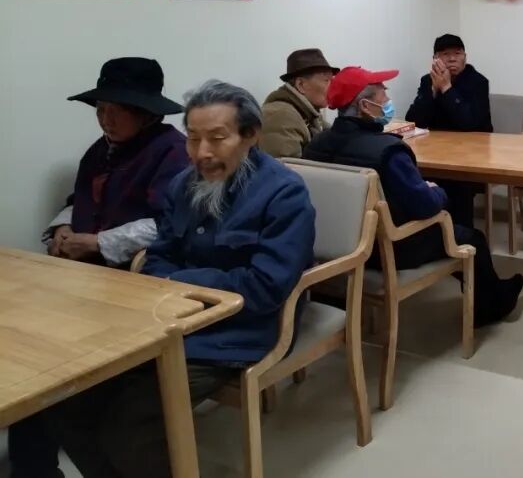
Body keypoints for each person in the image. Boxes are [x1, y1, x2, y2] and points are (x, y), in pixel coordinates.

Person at [48, 81, 316, 478]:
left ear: (250, 135)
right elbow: (158, 257)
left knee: (132, 422)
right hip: (168, 321)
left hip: (240, 330)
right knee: (68, 402)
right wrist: (176, 285)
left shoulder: (284, 194)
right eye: (192, 138)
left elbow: (264, 287)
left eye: (217, 138)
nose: (202, 152)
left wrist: (181, 282)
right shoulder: (183, 184)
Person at [8, 57, 187, 478]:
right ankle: (32, 468)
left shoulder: (173, 152)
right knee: (26, 349)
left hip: (135, 282)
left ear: (145, 112)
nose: (105, 119)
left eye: (115, 110)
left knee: (50, 361)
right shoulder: (101, 150)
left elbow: (168, 224)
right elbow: (80, 201)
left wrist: (97, 243)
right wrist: (62, 229)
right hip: (83, 276)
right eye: (100, 109)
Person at [305, 66, 523, 326]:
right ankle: (491, 306)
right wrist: (435, 190)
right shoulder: (388, 152)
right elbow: (426, 206)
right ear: (365, 106)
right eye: (383, 95)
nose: (387, 100)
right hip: (391, 247)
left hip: (340, 247)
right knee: (472, 238)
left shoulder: (315, 146)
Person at [405, 34, 492, 225]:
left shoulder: (478, 82)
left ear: (465, 57)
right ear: (435, 59)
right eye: (445, 54)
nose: (452, 59)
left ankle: (462, 235)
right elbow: (414, 121)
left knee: (458, 185)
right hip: (435, 152)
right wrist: (433, 91)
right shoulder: (427, 80)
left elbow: (468, 123)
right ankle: (433, 231)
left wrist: (446, 88)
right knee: (415, 177)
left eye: (457, 53)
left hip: (471, 155)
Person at [260, 48, 338, 158]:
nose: (333, 86)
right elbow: (284, 167)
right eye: (327, 80)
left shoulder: (310, 115)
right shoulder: (281, 116)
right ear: (301, 85)